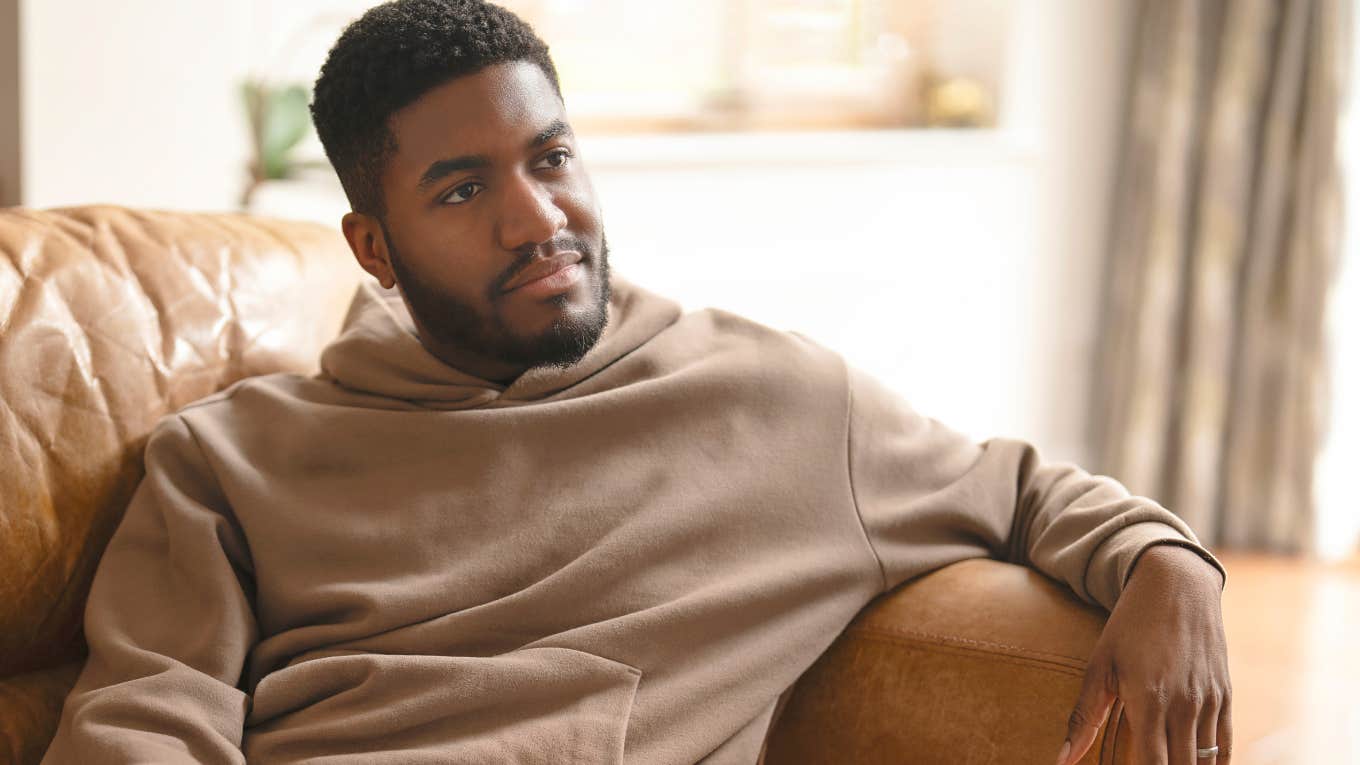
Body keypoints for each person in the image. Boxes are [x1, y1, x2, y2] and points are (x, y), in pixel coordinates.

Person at [40, 1, 1232, 763]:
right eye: (462, 190)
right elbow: (146, 714)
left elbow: (1018, 490)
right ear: (373, 247)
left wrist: (1169, 564)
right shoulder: (228, 458)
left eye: (551, 158)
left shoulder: (772, 403)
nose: (538, 218)